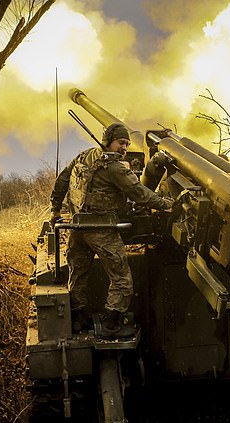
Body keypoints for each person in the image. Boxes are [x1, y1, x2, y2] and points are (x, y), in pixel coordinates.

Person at [50, 123, 173, 339]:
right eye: (120, 143)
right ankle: (111, 322)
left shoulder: (84, 156)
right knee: (122, 279)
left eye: (126, 144)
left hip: (77, 227)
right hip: (102, 230)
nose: (124, 148)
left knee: (78, 272)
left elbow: (63, 179)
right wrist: (166, 203)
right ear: (108, 140)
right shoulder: (115, 168)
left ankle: (78, 318)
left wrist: (55, 209)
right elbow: (139, 193)